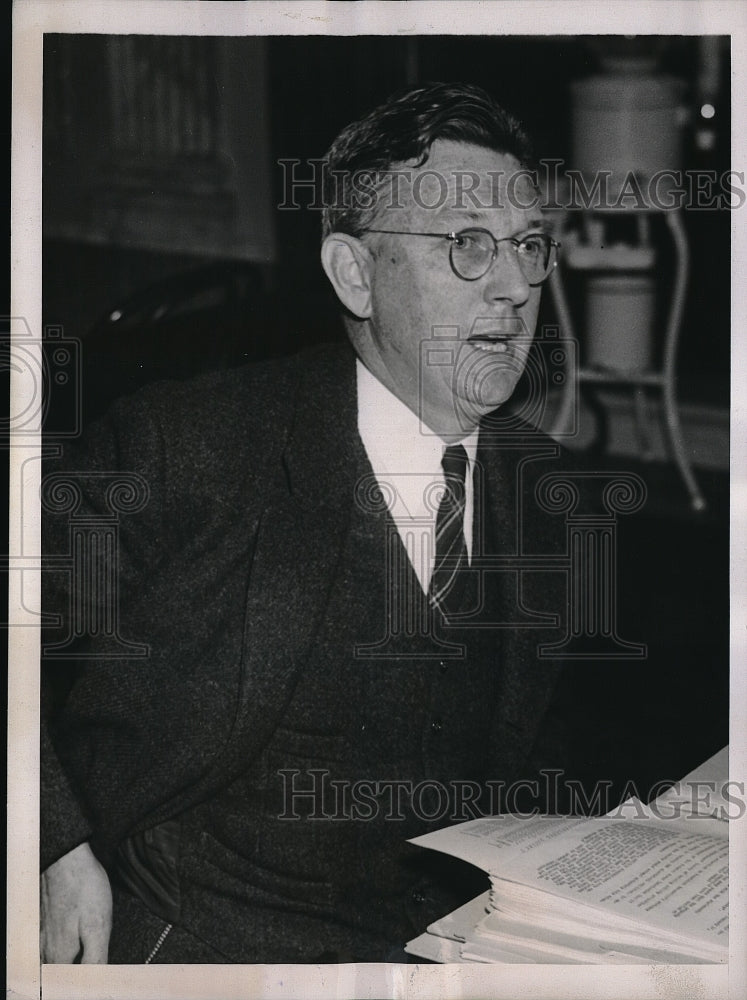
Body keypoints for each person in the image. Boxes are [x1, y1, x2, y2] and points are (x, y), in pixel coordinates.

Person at [40, 82, 584, 965]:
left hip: (442, 943)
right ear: (355, 275)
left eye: (529, 246)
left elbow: (538, 739)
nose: (517, 286)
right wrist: (50, 851)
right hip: (209, 938)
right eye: (468, 246)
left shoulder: (540, 484)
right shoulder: (192, 446)